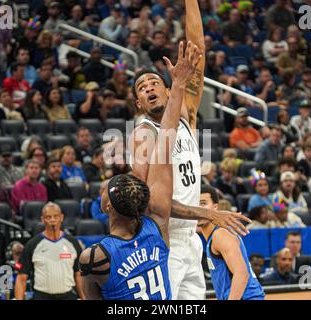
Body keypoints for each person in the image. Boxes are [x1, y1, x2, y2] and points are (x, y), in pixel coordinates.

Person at [127, 2, 249, 300]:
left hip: (192, 239)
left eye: (155, 82)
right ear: (139, 104)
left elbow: (196, 51)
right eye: (142, 88)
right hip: (161, 239)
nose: (149, 87)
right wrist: (206, 213)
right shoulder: (143, 136)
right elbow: (149, 204)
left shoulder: (186, 117)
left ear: (169, 91)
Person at [199, 185, 265, 300]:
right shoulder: (213, 236)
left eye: (203, 203)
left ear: (215, 207)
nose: (199, 209)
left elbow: (241, 274)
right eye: (195, 205)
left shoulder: (220, 235)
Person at [14, 202, 83, 300]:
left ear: (61, 217)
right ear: (42, 219)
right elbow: (21, 279)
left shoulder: (73, 243)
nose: (52, 220)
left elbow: (78, 276)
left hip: (68, 296)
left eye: (56, 216)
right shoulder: (32, 244)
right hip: (42, 296)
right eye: (48, 217)